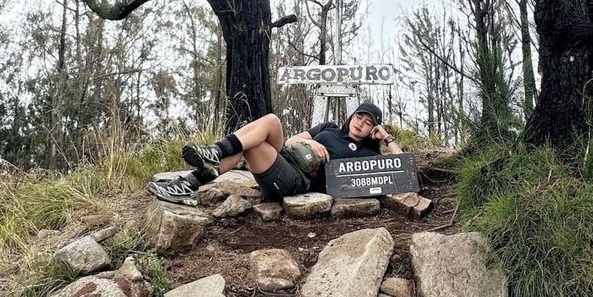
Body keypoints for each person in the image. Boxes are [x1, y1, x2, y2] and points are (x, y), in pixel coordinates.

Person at [146, 102, 402, 206]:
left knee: (251, 145)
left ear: (372, 130)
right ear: (351, 116)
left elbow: (401, 171)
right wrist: (312, 144)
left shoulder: (366, 155)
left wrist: (388, 138)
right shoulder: (329, 128)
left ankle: (193, 180)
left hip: (296, 181)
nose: (361, 123)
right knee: (271, 121)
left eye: (369, 122)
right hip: (287, 157)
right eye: (359, 116)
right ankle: (206, 163)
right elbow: (291, 140)